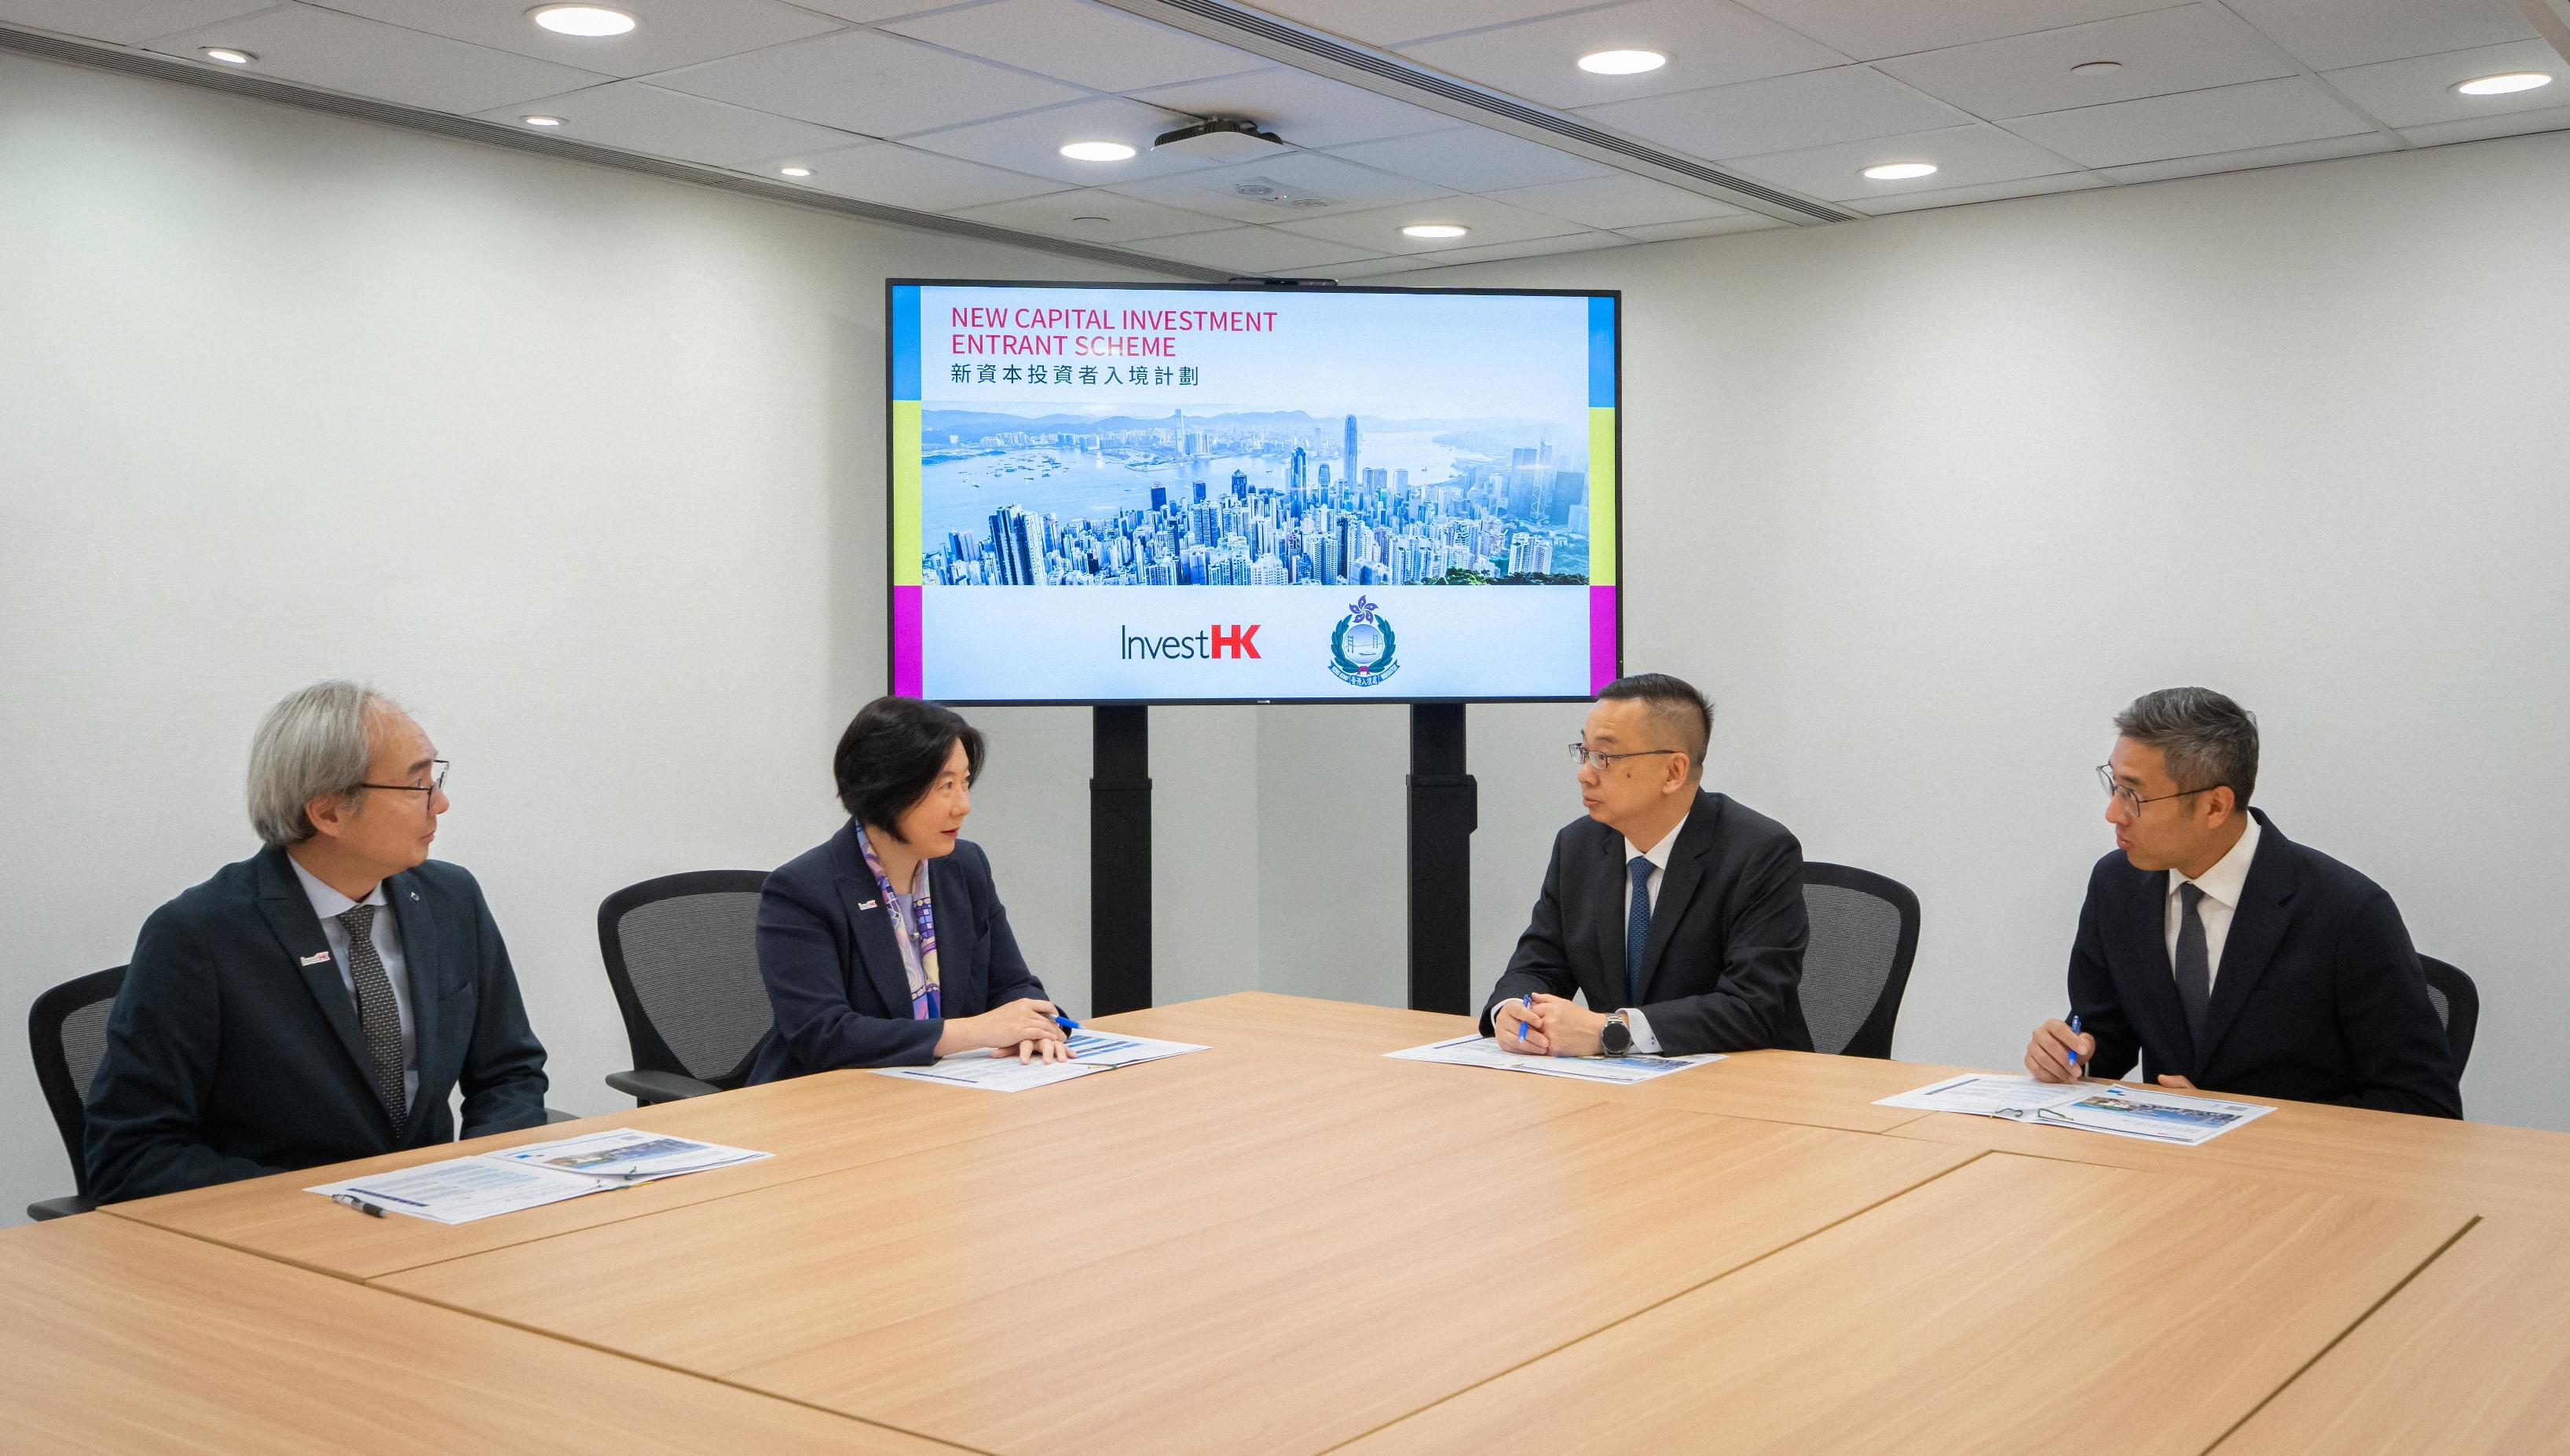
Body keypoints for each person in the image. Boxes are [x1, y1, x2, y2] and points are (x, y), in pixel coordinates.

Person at [85, 682, 550, 1204]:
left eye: (435, 777)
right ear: (328, 813)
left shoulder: (450, 899)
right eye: (417, 784)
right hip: (278, 1242)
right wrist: (327, 1203)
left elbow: (509, 1073)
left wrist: (486, 1176)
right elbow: (129, 1155)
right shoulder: (198, 937)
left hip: (437, 1224)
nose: (440, 802)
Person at [2025, 687, 2460, 1117]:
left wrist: (2240, 1119)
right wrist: (2070, 1056)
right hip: (2168, 1165)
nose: (2114, 814)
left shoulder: (2349, 912)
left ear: (2215, 806)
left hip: (2298, 1175)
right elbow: (2107, 1035)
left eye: (2134, 796)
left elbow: (2423, 1107)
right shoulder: (2117, 885)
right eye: (2114, 786)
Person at [1484, 673, 1813, 1059]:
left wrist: (1612, 1030)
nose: (1585, 773)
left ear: (1673, 772)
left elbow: (1753, 1007)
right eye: (1584, 751)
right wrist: (1509, 1011)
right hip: (1617, 1088)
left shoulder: (1759, 852)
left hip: (1743, 1086)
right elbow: (1537, 965)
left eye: (1605, 757)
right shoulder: (1578, 847)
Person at [745, 696, 1067, 1080]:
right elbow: (823, 1035)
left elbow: (1013, 986)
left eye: (964, 783)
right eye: (944, 786)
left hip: (949, 1093)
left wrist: (1035, 1029)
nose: (963, 805)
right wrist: (974, 1031)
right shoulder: (801, 891)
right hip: (831, 1104)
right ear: (887, 789)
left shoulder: (965, 868)